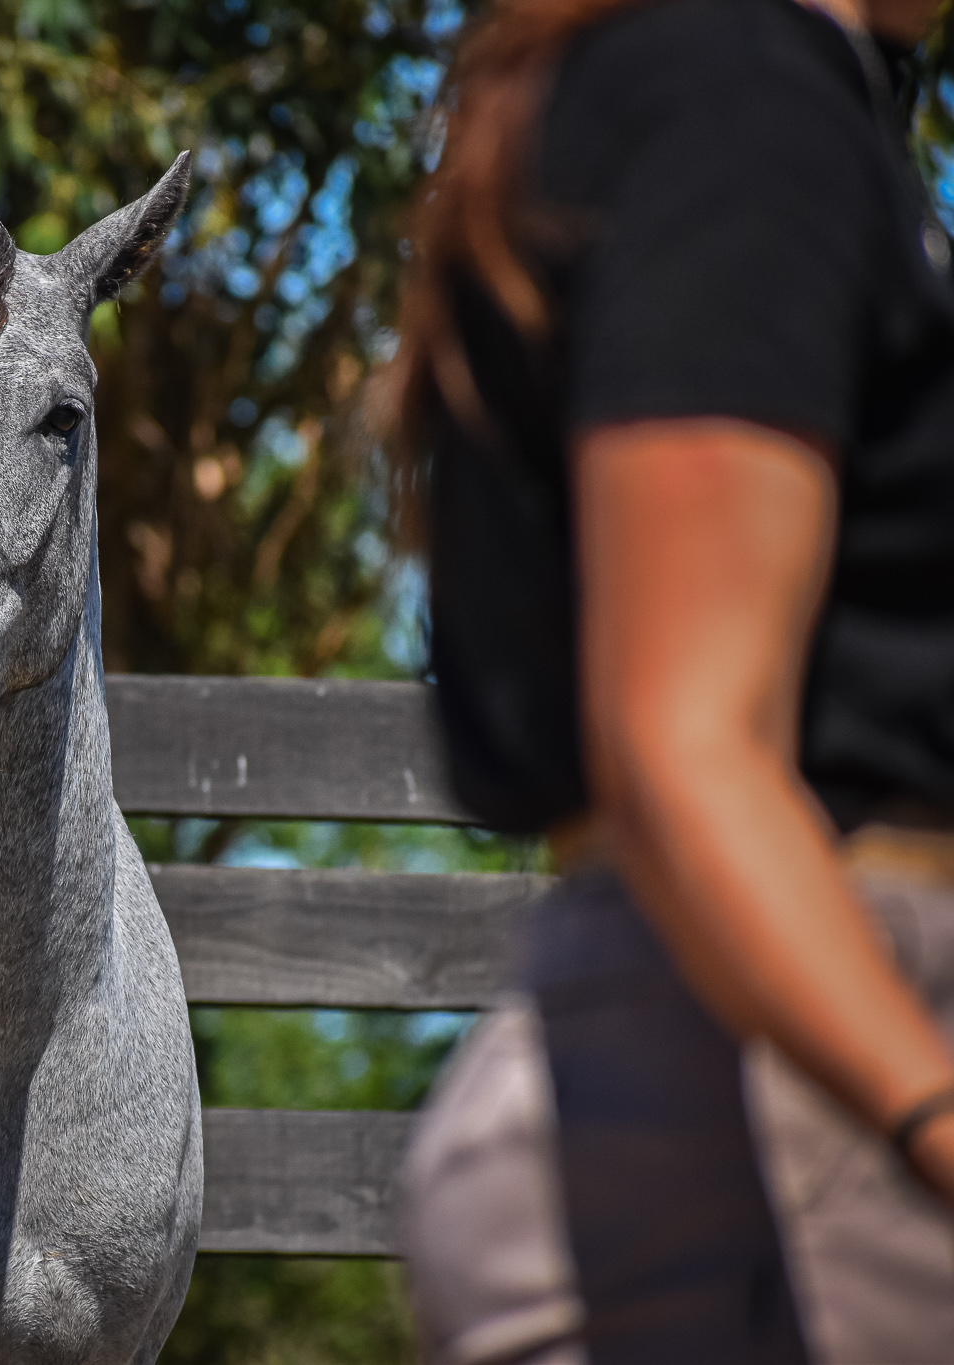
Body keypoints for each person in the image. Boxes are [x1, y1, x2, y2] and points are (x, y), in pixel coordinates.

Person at [375, 0, 954, 1359]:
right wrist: (928, 1110)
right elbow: (685, 741)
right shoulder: (739, 95)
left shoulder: (750, 94)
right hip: (785, 1109)